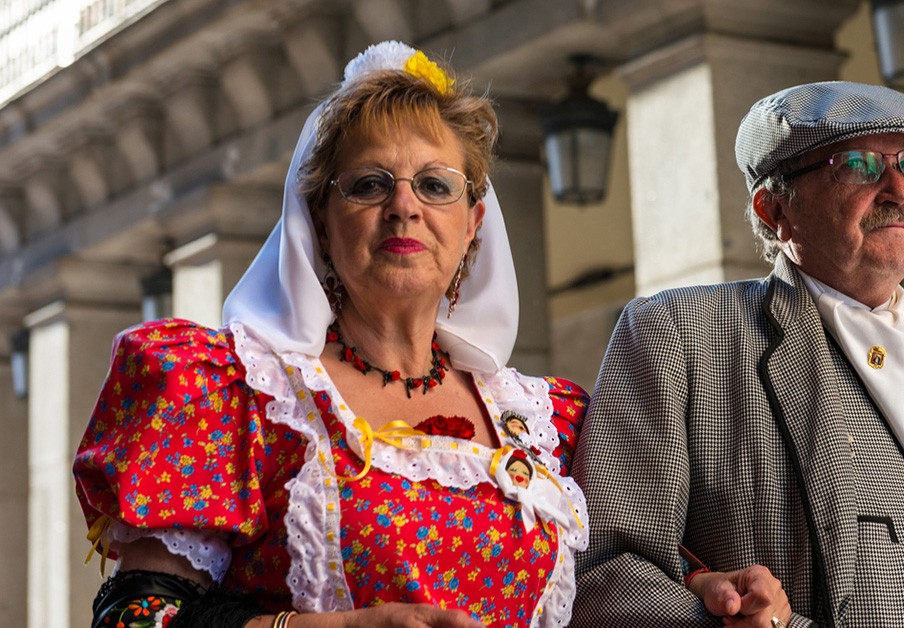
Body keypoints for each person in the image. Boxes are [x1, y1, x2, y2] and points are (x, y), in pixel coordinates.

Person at [74, 41, 588, 628]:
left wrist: (697, 583)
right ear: (319, 219)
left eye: (436, 185)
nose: (403, 206)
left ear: (473, 223)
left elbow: (623, 580)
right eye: (369, 184)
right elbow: (134, 620)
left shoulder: (549, 422)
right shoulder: (240, 396)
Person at [572, 81, 904, 627]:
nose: (898, 189)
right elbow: (603, 574)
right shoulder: (678, 336)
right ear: (774, 209)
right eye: (859, 164)